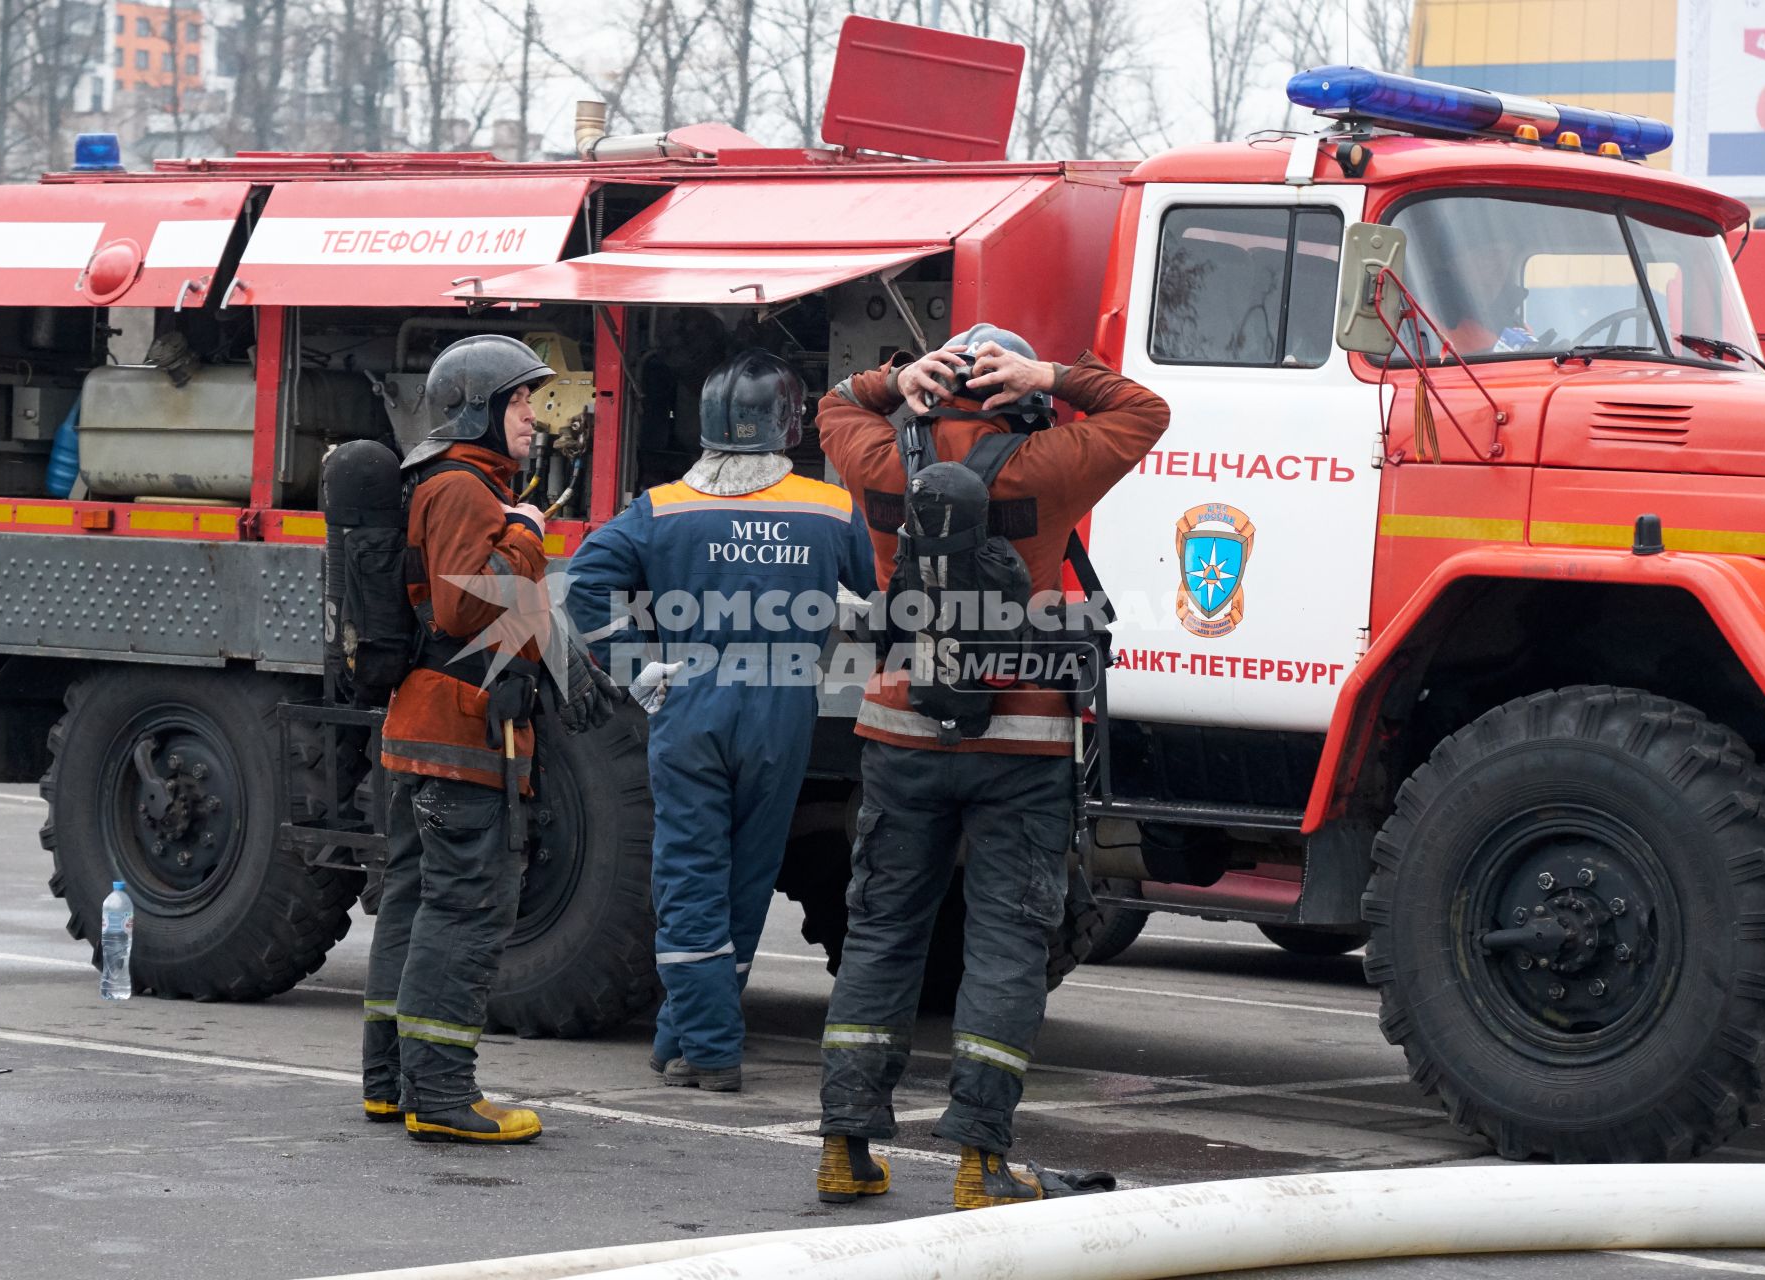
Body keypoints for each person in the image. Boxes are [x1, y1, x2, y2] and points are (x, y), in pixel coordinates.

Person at [812, 325, 1169, 1209]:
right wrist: (1050, 374)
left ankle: (845, 1148)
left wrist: (897, 380)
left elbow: (834, 404)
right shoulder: (1050, 464)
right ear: (1017, 394)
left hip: (900, 728)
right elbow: (1145, 408)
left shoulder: (879, 458)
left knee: (884, 929)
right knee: (1008, 942)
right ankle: (979, 1160)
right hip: (1024, 740)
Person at [564, 349, 875, 1094]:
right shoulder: (831, 508)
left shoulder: (662, 507)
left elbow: (581, 584)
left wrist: (632, 664)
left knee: (689, 879)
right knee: (746, 880)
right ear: (788, 424)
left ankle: (701, 1043)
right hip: (782, 708)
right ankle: (691, 1035)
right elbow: (879, 591)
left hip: (691, 704)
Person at [362, 334, 619, 1145]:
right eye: (517, 401)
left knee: (412, 903)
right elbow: (466, 610)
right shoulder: (468, 492)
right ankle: (439, 1094)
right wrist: (527, 530)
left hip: (425, 728)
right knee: (464, 910)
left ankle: (391, 1083)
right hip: (461, 737)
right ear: (474, 408)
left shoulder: (440, 484)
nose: (531, 418)